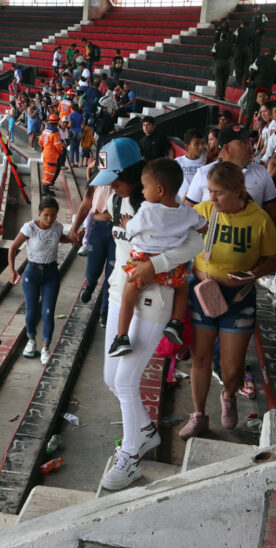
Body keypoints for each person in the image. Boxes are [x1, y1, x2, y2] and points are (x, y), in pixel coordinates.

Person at [90, 139, 204, 490]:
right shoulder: (116, 200)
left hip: (154, 296)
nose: (111, 185)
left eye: (117, 178)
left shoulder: (164, 205)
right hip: (119, 293)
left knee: (126, 381)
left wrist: (155, 265)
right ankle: (144, 432)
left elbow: (197, 244)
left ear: (137, 174)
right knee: (112, 379)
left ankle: (131, 456)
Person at [180, 161, 276, 440]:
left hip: (239, 297)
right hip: (204, 293)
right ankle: (199, 414)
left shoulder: (258, 219)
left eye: (219, 192)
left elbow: (273, 257)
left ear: (238, 191)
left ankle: (228, 393)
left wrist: (252, 275)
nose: (212, 198)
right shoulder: (202, 212)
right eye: (209, 191)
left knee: (232, 366)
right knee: (200, 358)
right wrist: (198, 271)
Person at [109, 159, 206, 356]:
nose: (143, 192)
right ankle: (176, 323)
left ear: (159, 190)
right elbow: (203, 226)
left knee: (128, 297)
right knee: (182, 287)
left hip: (143, 263)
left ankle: (121, 338)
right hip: (170, 268)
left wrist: (127, 223)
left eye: (145, 187)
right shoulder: (186, 211)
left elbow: (134, 230)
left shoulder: (147, 209)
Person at [8, 197, 74, 365]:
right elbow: (13, 247)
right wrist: (12, 270)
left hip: (51, 273)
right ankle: (31, 340)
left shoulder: (57, 227)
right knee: (31, 310)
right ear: (39, 213)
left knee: (48, 312)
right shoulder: (29, 228)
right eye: (46, 215)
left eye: (53, 215)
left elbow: (61, 238)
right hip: (32, 273)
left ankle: (45, 347)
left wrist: (72, 238)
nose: (49, 219)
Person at [175, 128, 206, 200]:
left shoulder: (206, 162)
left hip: (199, 203)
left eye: (202, 143)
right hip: (182, 202)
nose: (201, 147)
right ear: (187, 146)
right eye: (196, 144)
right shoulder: (177, 162)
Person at [39, 114, 65, 189]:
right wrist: (61, 151)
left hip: (46, 153)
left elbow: (40, 142)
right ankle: (45, 189)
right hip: (52, 155)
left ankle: (46, 187)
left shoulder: (45, 131)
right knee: (50, 171)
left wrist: (44, 149)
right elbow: (58, 146)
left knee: (47, 170)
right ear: (56, 122)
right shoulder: (55, 133)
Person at [212, 29, 234, 101]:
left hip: (218, 62)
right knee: (224, 80)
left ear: (221, 37)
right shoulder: (230, 45)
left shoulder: (217, 44)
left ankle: (219, 96)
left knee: (219, 80)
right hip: (227, 63)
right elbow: (232, 54)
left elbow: (212, 53)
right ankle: (223, 96)